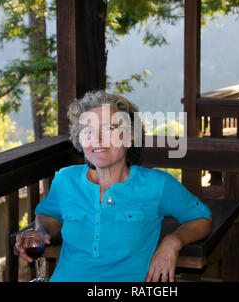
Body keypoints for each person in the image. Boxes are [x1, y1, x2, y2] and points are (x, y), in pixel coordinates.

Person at [15, 90, 212, 282]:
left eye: (109, 129)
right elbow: (50, 215)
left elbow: (202, 218)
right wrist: (40, 232)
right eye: (88, 131)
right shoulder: (66, 180)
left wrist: (173, 242)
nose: (97, 140)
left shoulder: (157, 184)